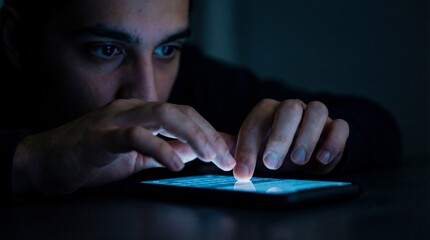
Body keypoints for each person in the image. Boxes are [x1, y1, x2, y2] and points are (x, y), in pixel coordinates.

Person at [0, 0, 401, 200]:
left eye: (166, 50)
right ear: (17, 41)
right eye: (106, 50)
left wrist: (320, 142)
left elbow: (377, 122)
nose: (148, 94)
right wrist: (31, 162)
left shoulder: (196, 79)